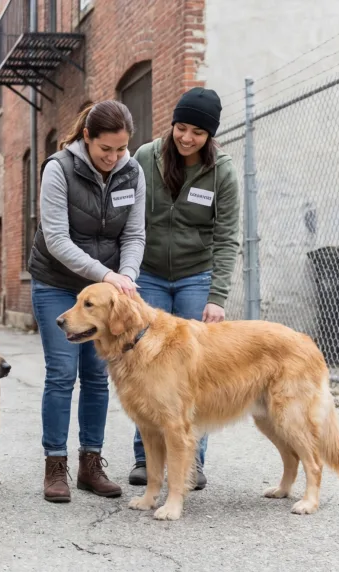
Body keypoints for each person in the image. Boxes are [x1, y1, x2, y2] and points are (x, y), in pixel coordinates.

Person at [29, 101, 147, 503]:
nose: (113, 159)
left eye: (120, 149)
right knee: (62, 374)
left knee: (98, 377)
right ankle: (55, 466)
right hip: (57, 283)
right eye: (105, 150)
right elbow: (57, 239)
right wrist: (107, 275)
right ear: (87, 138)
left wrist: (126, 277)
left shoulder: (133, 171)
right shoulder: (58, 169)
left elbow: (134, 235)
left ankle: (90, 465)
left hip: (106, 289)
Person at [127, 87, 241, 490]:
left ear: (210, 136)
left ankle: (191, 463)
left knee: (194, 374)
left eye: (197, 131)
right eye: (182, 127)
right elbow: (129, 219)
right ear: (172, 124)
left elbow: (227, 238)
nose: (187, 137)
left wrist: (217, 297)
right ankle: (146, 461)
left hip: (196, 275)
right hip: (150, 275)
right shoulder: (146, 157)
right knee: (144, 369)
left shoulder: (222, 172)